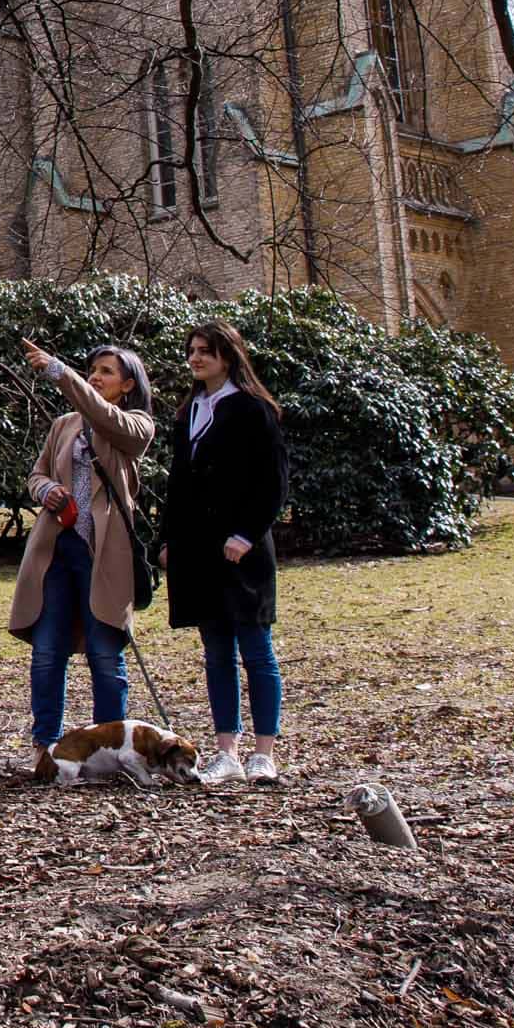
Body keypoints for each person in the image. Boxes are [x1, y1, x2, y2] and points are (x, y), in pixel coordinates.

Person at [7, 340, 155, 779]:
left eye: (107, 371)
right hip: (56, 551)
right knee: (47, 653)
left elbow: (103, 415)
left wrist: (59, 371)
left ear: (127, 385)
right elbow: (36, 474)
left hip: (105, 556)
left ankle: (107, 752)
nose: (95, 376)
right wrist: (46, 490)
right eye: (92, 369)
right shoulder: (63, 425)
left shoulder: (135, 425)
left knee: (105, 657)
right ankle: (46, 749)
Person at [163, 321, 289, 785]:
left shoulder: (254, 409)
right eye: (192, 350)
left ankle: (264, 753)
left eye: (206, 351)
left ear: (228, 356)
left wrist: (247, 534)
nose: (196, 358)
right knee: (216, 652)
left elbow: (273, 481)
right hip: (198, 552)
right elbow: (178, 483)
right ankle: (227, 751)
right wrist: (167, 540)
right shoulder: (189, 412)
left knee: (256, 650)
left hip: (242, 551)